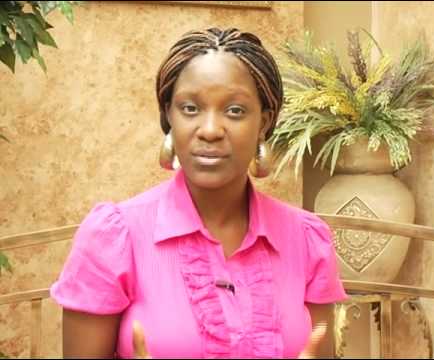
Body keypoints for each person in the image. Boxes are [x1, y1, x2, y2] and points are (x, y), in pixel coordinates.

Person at [50, 27, 348, 359]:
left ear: (264, 123)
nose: (209, 130)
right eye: (190, 108)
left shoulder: (307, 240)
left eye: (235, 111)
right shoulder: (113, 238)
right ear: (168, 116)